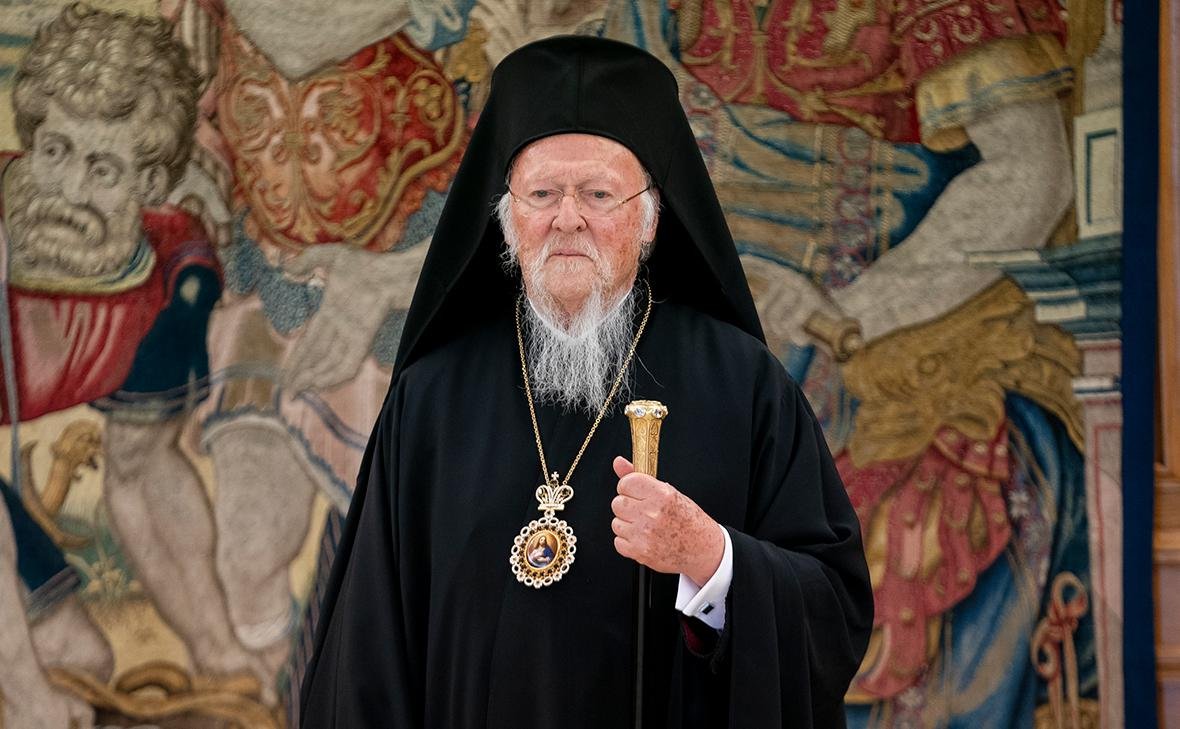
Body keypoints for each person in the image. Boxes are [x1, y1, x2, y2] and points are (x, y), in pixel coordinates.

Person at [300, 35, 873, 728]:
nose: (567, 218)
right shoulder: (429, 400)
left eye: (598, 194)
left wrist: (709, 556)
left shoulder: (745, 386)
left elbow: (833, 611)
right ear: (508, 218)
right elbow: (366, 655)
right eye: (542, 193)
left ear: (651, 219)